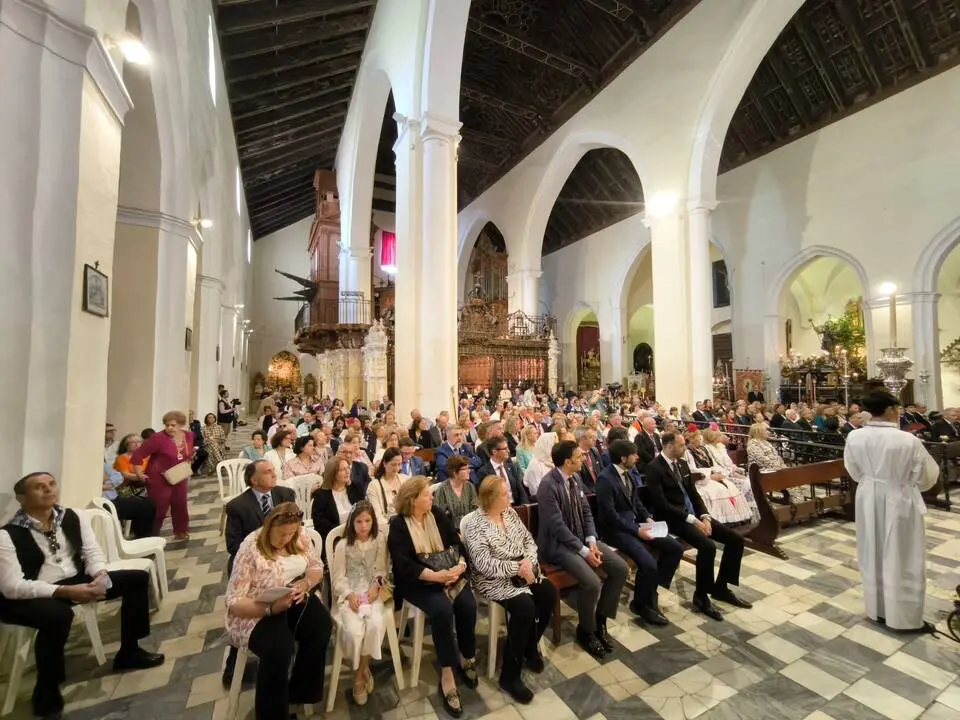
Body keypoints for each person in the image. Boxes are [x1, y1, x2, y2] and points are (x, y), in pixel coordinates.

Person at [0, 473, 164, 719]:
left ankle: (130, 651)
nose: (48, 490)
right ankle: (47, 688)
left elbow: (91, 552)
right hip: (33, 593)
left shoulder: (73, 517)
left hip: (75, 579)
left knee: (136, 580)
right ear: (22, 498)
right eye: (39, 487)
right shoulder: (7, 535)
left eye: (51, 484)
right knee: (58, 615)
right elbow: (12, 586)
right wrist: (64, 591)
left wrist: (100, 576)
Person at [844, 390, 939, 632]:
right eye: (896, 408)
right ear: (889, 410)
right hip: (898, 497)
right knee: (903, 555)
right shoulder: (907, 440)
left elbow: (853, 471)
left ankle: (877, 611)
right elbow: (926, 477)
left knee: (871, 551)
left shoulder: (855, 437)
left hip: (867, 496)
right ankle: (904, 618)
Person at [225, 503, 331, 719]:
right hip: (255, 608)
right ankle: (272, 715)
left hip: (290, 595)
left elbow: (316, 566)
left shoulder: (298, 535)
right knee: (279, 648)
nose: (286, 539)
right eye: (282, 534)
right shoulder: (251, 546)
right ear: (269, 527)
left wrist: (306, 583)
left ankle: (299, 691)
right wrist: (271, 608)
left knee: (321, 625)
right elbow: (234, 601)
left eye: (291, 533)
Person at [387, 477, 477, 718]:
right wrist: (436, 577)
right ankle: (447, 672)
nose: (432, 498)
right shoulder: (398, 525)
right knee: (442, 611)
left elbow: (455, 542)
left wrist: (459, 566)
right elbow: (403, 565)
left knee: (467, 604)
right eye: (427, 494)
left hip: (448, 573)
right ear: (412, 500)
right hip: (419, 582)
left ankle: (466, 655)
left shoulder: (435, 513)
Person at [463, 476, 555, 704]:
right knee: (525, 607)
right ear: (490, 498)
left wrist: (528, 563)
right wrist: (517, 567)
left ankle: (529, 646)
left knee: (549, 594)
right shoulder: (476, 524)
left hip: (524, 571)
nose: (509, 497)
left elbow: (529, 541)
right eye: (504, 494)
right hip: (493, 580)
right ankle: (509, 676)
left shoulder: (510, 513)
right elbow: (483, 564)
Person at [644, 432, 751, 621]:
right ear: (669, 446)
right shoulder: (654, 468)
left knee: (735, 540)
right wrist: (692, 520)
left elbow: (693, 494)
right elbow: (662, 504)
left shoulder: (683, 464)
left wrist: (705, 516)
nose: (684, 448)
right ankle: (701, 597)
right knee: (708, 546)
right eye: (681, 445)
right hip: (672, 519)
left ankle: (721, 588)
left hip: (693, 515)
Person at [536, 440, 628, 658]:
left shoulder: (574, 479)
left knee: (620, 568)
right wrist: (584, 551)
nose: (584, 459)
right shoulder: (548, 485)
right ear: (567, 462)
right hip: (558, 546)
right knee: (592, 582)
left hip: (581, 540)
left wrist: (592, 541)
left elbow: (586, 512)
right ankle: (586, 631)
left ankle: (600, 621)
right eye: (579, 457)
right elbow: (556, 526)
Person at [222, 459, 296, 687]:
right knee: (247, 607)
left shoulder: (285, 495)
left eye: (273, 471)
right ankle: (233, 663)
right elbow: (233, 546)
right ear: (254, 480)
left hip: (285, 560)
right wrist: (262, 555)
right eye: (267, 472)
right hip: (252, 565)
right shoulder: (238, 506)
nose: (274, 475)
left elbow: (296, 530)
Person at [595, 440, 681, 625]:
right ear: (623, 458)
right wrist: (637, 530)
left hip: (636, 525)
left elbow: (636, 502)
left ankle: (652, 591)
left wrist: (647, 518)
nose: (637, 457)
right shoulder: (605, 479)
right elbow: (610, 516)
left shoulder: (629, 472)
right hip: (616, 531)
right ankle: (641, 604)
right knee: (648, 564)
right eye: (633, 454)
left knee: (674, 547)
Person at [330, 501, 389, 706]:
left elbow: (381, 569)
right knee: (355, 631)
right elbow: (338, 578)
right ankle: (362, 670)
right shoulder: (343, 545)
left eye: (367, 521)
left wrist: (376, 586)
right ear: (351, 523)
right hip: (351, 594)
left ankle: (359, 674)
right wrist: (349, 594)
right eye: (358, 521)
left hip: (372, 593)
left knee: (374, 624)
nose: (363, 526)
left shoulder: (379, 539)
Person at [130, 410, 194, 540]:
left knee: (180, 504)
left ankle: (181, 531)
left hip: (178, 475)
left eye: (173, 425)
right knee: (159, 507)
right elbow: (138, 454)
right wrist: (138, 473)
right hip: (159, 477)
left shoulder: (188, 435)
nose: (169, 428)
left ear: (181, 425)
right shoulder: (158, 438)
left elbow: (188, 453)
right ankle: (152, 535)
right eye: (167, 425)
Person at [311, 456, 365, 546]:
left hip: (359, 534)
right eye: (342, 470)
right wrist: (344, 532)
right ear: (332, 473)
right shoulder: (321, 495)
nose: (347, 472)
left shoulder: (355, 488)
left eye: (348, 468)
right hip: (335, 539)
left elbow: (364, 510)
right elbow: (319, 523)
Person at [746, 423, 802, 503]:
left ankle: (796, 501)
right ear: (759, 431)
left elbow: (777, 457)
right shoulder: (753, 444)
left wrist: (783, 466)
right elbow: (763, 461)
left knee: (793, 475)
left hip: (776, 469)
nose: (769, 432)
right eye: (767, 430)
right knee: (789, 477)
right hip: (764, 472)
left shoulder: (766, 443)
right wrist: (780, 469)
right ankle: (798, 503)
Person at [103, 460, 156, 540]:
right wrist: (102, 482)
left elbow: (118, 476)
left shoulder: (100, 463)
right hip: (103, 504)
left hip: (114, 499)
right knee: (144, 506)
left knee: (147, 506)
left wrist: (106, 484)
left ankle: (142, 541)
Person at [474, 436, 529, 505]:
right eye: (505, 449)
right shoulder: (483, 472)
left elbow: (521, 490)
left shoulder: (511, 467)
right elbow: (485, 498)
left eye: (507, 448)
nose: (508, 451)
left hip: (515, 506)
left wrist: (525, 506)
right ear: (494, 452)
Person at [433, 456, 479, 529]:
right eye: (464, 469)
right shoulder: (442, 489)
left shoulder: (469, 486)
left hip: (470, 527)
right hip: (450, 530)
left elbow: (475, 508)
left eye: (468, 468)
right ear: (454, 472)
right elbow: (439, 517)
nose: (469, 471)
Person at [522, 432, 556, 496]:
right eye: (554, 445)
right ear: (547, 446)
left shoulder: (551, 460)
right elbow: (536, 491)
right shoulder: (535, 465)